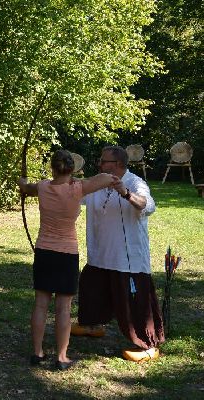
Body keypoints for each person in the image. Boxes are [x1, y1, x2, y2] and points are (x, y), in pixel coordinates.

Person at [18, 149, 117, 370]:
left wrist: (22, 181)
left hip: (44, 251)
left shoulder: (43, 187)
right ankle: (62, 357)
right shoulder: (78, 188)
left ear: (52, 168)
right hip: (67, 254)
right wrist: (77, 179)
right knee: (64, 308)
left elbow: (26, 187)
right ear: (72, 169)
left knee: (41, 304)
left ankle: (37, 353)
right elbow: (106, 178)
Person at [71, 145, 165, 362]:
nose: (100, 164)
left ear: (119, 164)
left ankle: (148, 344)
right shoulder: (97, 182)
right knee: (91, 286)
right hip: (100, 253)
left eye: (104, 161)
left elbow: (147, 205)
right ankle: (92, 325)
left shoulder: (135, 183)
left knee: (133, 300)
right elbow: (72, 190)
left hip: (127, 259)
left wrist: (125, 192)